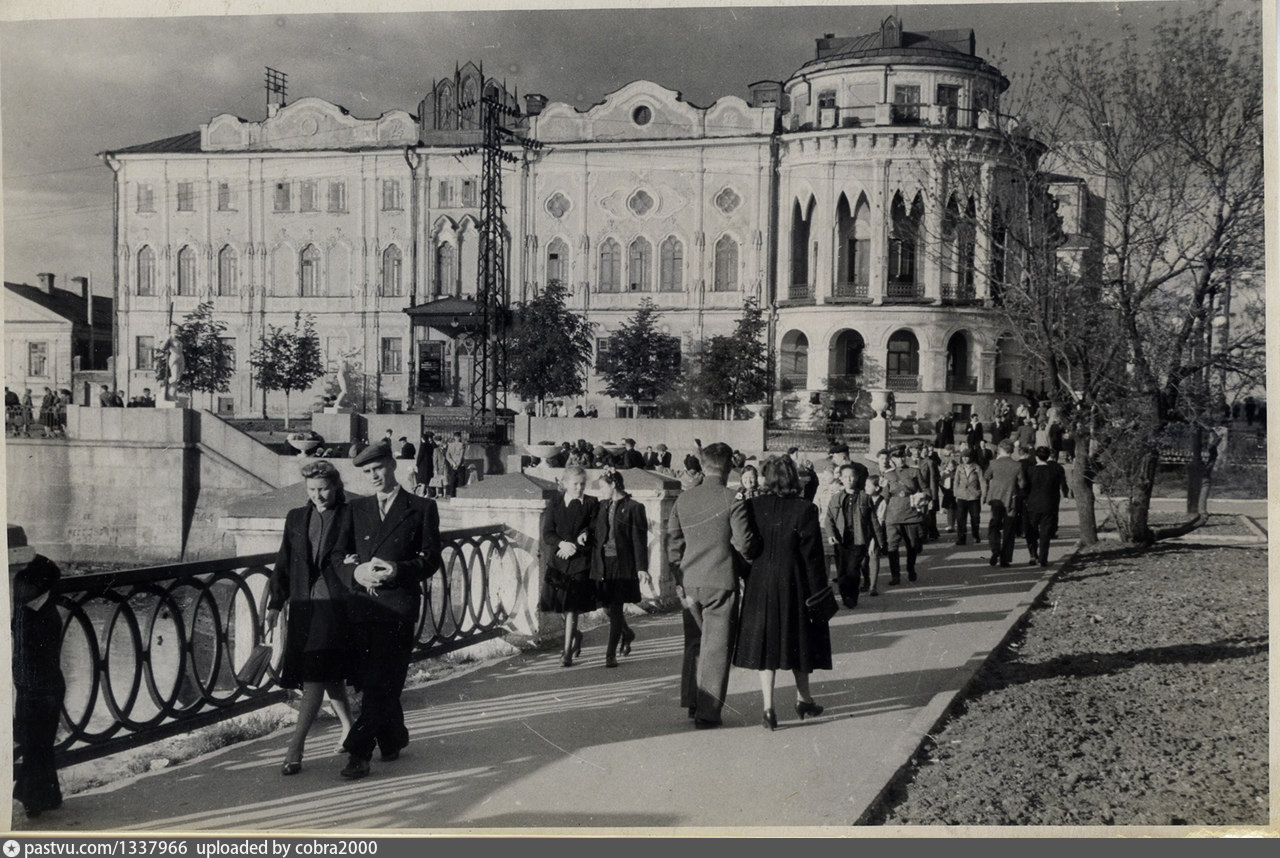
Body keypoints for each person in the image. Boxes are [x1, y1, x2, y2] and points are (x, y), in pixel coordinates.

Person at [335, 442, 441, 780]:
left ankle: (358, 752)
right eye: (366, 473)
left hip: (398, 608)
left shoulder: (421, 507)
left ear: (392, 465)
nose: (373, 477)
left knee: (381, 681)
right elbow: (337, 556)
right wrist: (355, 572)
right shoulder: (357, 509)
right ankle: (393, 738)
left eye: (377, 468)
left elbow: (430, 560)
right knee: (376, 682)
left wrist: (397, 570)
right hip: (364, 607)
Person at [266, 460, 356, 776]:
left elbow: (366, 557)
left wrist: (356, 562)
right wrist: (275, 604)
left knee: (314, 674)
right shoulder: (296, 518)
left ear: (337, 486)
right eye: (312, 490)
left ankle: (296, 747)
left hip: (335, 607)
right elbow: (283, 564)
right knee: (329, 673)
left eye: (324, 489)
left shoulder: (351, 515)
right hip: (303, 607)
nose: (318, 496)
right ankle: (350, 729)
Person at [666, 442, 760, 729]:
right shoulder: (733, 499)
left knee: (694, 643)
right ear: (729, 467)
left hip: (690, 581)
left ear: (703, 465)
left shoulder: (684, 500)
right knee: (716, 648)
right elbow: (745, 544)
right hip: (720, 580)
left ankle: (693, 702)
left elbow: (673, 544)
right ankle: (708, 712)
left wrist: (679, 577)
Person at [734, 455, 831, 731]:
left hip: (760, 582)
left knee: (767, 645)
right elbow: (813, 558)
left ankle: (768, 708)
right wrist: (820, 593)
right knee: (800, 641)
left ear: (766, 477)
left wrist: (747, 575)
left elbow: (745, 545)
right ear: (792, 478)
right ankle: (803, 698)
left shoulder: (753, 506)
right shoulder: (805, 510)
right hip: (795, 583)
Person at [10, 526, 65, 818]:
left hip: (36, 686)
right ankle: (44, 795)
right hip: (42, 685)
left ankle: (33, 796)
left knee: (36, 743)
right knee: (40, 743)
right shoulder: (41, 607)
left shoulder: (32, 615)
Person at [540, 465, 599, 667]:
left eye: (582, 484)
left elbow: (595, 530)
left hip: (580, 562)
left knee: (572, 607)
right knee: (562, 607)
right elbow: (547, 533)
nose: (579, 488)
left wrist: (585, 536)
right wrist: (562, 544)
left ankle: (566, 653)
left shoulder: (591, 503)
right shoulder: (555, 503)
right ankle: (576, 636)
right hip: (558, 561)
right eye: (575, 484)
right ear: (565, 484)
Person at [591, 470, 646, 668]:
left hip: (622, 565)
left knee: (615, 608)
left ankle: (610, 655)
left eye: (602, 486)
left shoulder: (634, 508)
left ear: (613, 484)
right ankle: (627, 633)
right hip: (603, 563)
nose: (600, 491)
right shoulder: (602, 506)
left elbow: (639, 541)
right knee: (606, 607)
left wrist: (641, 568)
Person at [824, 461, 884, 610]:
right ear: (841, 479)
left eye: (852, 477)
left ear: (857, 478)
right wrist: (831, 534)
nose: (849, 479)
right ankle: (846, 596)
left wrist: (879, 541)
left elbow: (873, 520)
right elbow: (828, 519)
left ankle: (852, 597)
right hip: (841, 539)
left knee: (853, 569)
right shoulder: (836, 498)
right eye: (845, 477)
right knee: (842, 570)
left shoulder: (864, 497)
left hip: (859, 538)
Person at [881, 445, 926, 585]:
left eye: (902, 456)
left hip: (911, 513)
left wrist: (924, 496)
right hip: (893, 515)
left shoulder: (914, 471)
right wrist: (880, 514)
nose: (900, 459)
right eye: (896, 457)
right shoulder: (888, 475)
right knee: (892, 546)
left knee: (912, 546)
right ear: (892, 459)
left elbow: (925, 489)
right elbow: (884, 497)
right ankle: (895, 576)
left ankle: (910, 568)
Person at [981, 439, 1027, 568]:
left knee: (994, 525)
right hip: (1011, 499)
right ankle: (1005, 559)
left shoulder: (994, 463)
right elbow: (1022, 483)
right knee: (1009, 529)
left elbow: (986, 476)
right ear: (1011, 451)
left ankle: (995, 549)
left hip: (996, 498)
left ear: (1000, 450)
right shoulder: (1017, 465)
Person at [1024, 446, 1070, 567]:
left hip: (1033, 504)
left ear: (1036, 457)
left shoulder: (1030, 470)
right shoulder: (1055, 470)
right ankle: (1043, 558)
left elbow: (1026, 487)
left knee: (1031, 531)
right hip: (1049, 504)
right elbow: (1060, 484)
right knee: (1045, 532)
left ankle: (1033, 554)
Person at [951, 447, 984, 546]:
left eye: (967, 457)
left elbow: (982, 481)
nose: (965, 459)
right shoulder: (959, 468)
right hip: (962, 496)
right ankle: (961, 538)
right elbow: (956, 482)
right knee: (961, 518)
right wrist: (956, 493)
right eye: (963, 457)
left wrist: (983, 494)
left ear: (971, 457)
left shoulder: (977, 468)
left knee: (975, 518)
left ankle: (975, 535)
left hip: (974, 496)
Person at [414, 431, 437, 495]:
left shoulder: (423, 445)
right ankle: (428, 493)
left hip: (423, 465)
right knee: (427, 480)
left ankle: (421, 493)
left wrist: (417, 464)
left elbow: (420, 455)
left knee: (423, 480)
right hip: (429, 464)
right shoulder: (430, 445)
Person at [445, 431, 467, 496]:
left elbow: (447, 455)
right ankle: (460, 495)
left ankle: (452, 495)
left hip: (452, 465)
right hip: (460, 465)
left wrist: (452, 463)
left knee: (452, 480)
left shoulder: (450, 445)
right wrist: (457, 464)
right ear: (459, 437)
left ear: (454, 437)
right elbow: (461, 456)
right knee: (461, 481)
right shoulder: (462, 445)